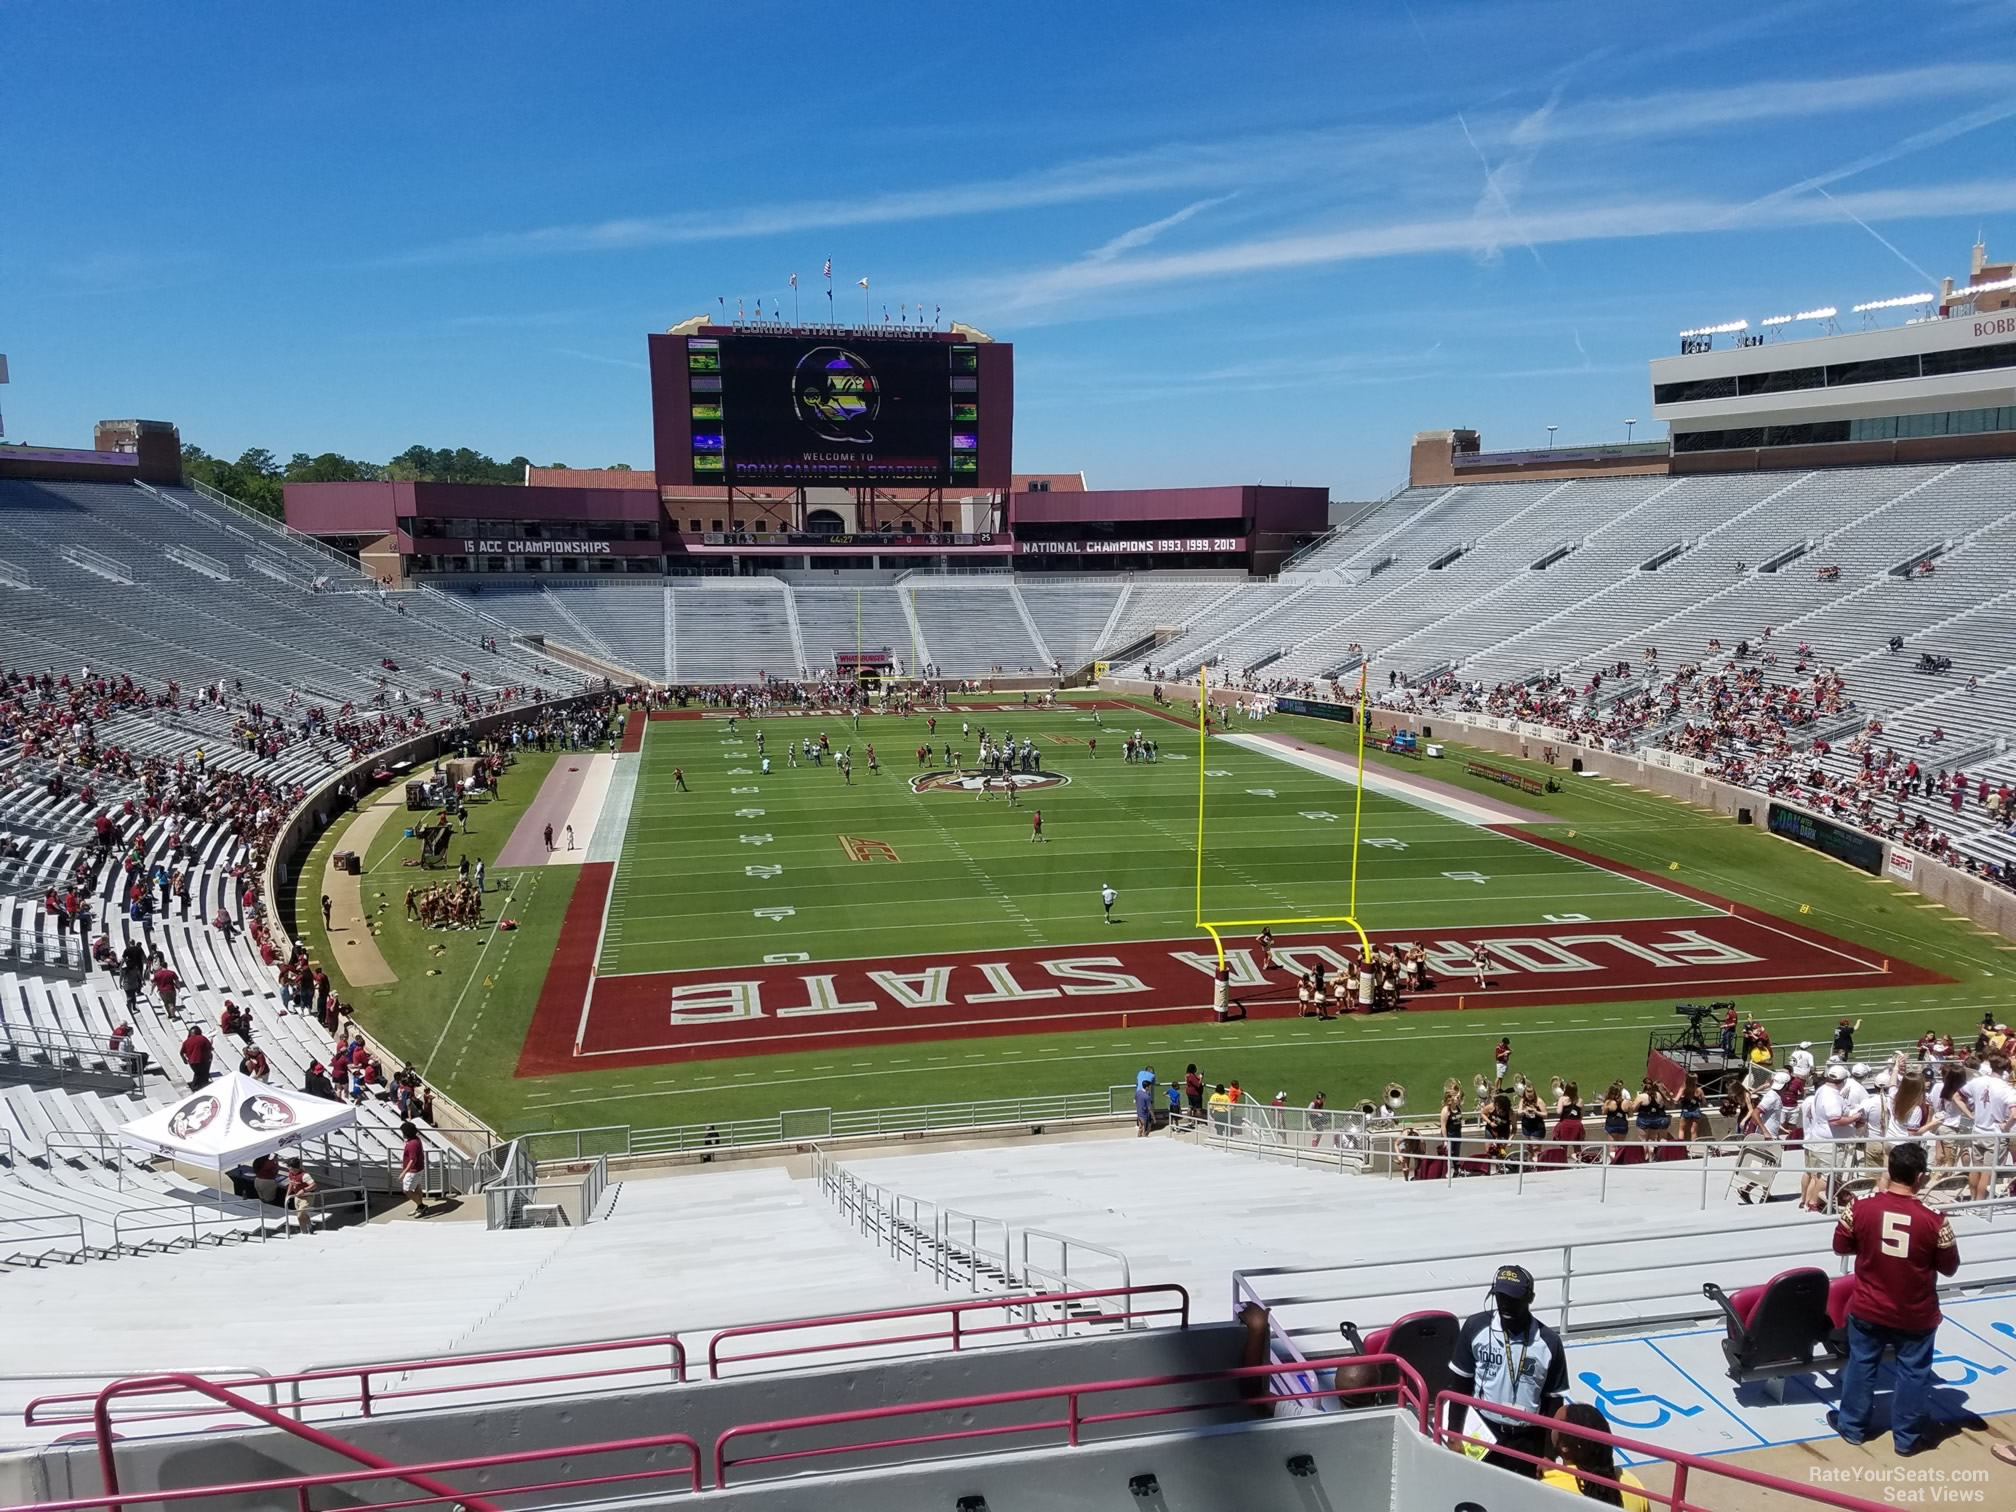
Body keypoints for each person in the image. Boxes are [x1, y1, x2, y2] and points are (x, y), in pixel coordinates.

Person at [1829, 1142, 1959, 1455]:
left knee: (1861, 1365)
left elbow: (1840, 1245)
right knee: (1913, 1374)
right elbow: (1950, 1267)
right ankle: (1907, 1440)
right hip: (1916, 1313)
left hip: (1868, 1307)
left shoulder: (1860, 1206)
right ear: (1921, 1177)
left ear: (1890, 1172)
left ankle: (1852, 1427)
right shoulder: (1936, 1220)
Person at [1447, 1264, 1568, 1477]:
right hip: (1484, 1432)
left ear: (1530, 1298)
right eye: (1500, 1297)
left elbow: (1553, 1403)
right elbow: (1460, 1385)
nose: (1505, 1305)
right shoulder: (1475, 1328)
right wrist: (1454, 1433)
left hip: (1529, 1438)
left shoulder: (1549, 1343)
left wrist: (1549, 1455)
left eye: (1513, 1299)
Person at [1541, 1402, 1653, 1509]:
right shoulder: (1633, 1484)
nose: (1551, 1427)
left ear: (1564, 1447)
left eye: (1555, 1424)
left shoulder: (1548, 1489)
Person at [400, 1120, 429, 1217]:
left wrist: (404, 1172)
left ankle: (421, 1206)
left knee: (407, 1190)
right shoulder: (416, 1140)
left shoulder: (412, 1144)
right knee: (417, 1188)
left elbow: (413, 1160)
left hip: (414, 1171)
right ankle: (419, 1207)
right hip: (418, 1169)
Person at [284, 1157, 318, 1236]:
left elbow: (314, 1185)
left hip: (306, 1197)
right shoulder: (291, 1174)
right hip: (297, 1196)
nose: (288, 1168)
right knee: (303, 1213)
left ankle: (304, 1232)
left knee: (300, 1215)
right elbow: (291, 1184)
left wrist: (304, 1190)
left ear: (293, 1167)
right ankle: (310, 1226)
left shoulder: (304, 1175)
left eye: (289, 1167)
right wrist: (287, 1195)